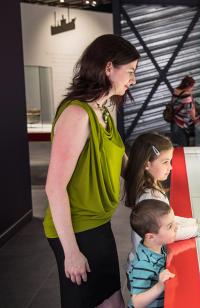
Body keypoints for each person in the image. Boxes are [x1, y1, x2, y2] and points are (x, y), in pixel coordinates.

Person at [44, 34, 139, 307]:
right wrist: (71, 252)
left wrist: (155, 174)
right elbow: (54, 187)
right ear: (109, 67)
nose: (133, 80)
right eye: (130, 72)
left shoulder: (104, 111)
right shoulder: (78, 115)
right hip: (79, 230)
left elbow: (123, 164)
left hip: (98, 225)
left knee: (113, 300)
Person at [124, 132, 200, 265]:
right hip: (146, 269)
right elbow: (168, 233)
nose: (170, 167)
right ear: (147, 164)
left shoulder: (150, 189)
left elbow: (168, 221)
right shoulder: (150, 196)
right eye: (165, 162)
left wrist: (195, 222)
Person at [127, 199, 177, 308]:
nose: (176, 227)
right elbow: (136, 302)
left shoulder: (158, 246)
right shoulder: (144, 264)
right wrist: (160, 286)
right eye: (170, 226)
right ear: (150, 236)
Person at [169, 76, 200, 146]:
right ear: (189, 86)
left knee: (175, 144)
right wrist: (195, 119)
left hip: (174, 120)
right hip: (182, 124)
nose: (193, 88)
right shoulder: (186, 95)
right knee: (183, 145)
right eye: (192, 86)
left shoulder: (176, 90)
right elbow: (190, 110)